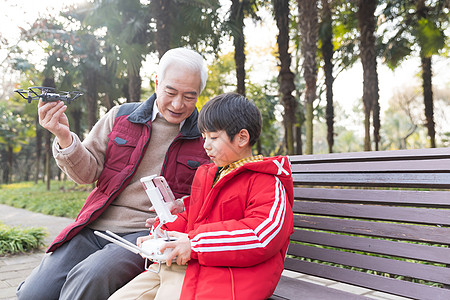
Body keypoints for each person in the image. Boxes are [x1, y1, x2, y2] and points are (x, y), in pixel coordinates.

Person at [16, 48, 211, 300]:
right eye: (171, 92)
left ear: (199, 94)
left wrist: (181, 207)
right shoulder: (121, 116)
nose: (177, 104)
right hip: (94, 226)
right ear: (156, 83)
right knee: (34, 294)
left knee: (88, 279)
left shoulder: (207, 136)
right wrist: (64, 136)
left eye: (189, 96)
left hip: (146, 236)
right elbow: (87, 173)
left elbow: (212, 195)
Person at [109, 92, 294, 300]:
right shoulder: (208, 175)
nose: (205, 145)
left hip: (230, 277)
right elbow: (192, 220)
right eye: (204, 136)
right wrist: (161, 234)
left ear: (242, 137)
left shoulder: (267, 181)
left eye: (213, 138)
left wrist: (195, 244)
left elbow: (262, 236)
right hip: (186, 265)